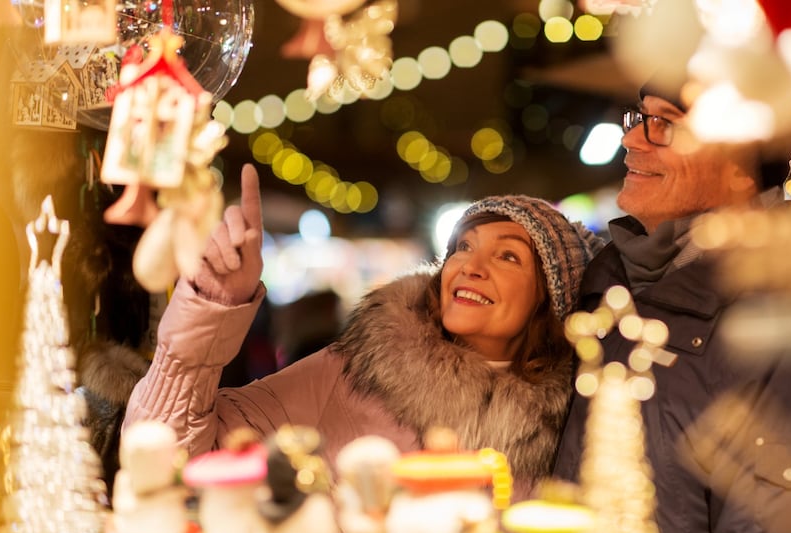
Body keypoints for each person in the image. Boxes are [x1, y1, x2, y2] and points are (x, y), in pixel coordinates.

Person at [124, 164, 602, 497]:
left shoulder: (571, 428)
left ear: (551, 299)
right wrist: (211, 308)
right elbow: (168, 458)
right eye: (463, 246)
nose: (469, 266)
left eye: (508, 256)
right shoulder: (355, 372)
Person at [552, 85, 791, 533]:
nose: (631, 139)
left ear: (740, 162)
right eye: (638, 117)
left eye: (665, 124)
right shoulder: (607, 282)